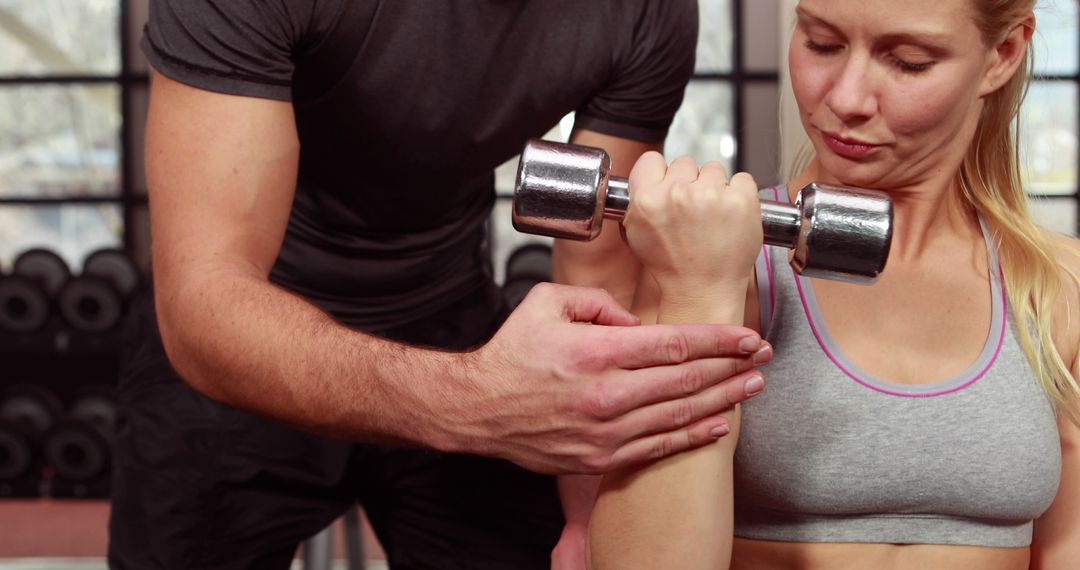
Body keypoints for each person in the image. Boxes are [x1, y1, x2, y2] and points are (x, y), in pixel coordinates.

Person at [107, 2, 774, 569]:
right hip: (248, 339)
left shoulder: (646, 11)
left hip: (446, 314)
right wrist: (478, 403)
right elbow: (205, 300)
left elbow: (597, 271)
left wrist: (582, 519)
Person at [585, 0, 1080, 568]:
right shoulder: (721, 267)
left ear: (1004, 54)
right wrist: (699, 292)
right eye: (820, 42)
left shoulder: (1054, 287)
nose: (845, 99)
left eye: (909, 62)